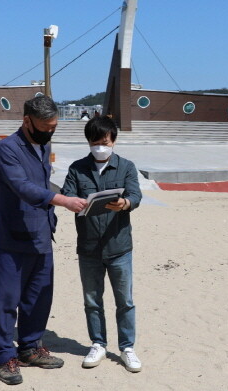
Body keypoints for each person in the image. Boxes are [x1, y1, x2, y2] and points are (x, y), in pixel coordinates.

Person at [0, 95, 87, 385]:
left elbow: (41, 183)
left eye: (54, 126)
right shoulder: (7, 149)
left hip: (42, 234)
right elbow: (22, 187)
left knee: (39, 298)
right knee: (7, 300)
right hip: (13, 237)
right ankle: (3, 355)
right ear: (27, 120)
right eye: (45, 126)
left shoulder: (43, 145)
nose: (50, 131)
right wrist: (62, 200)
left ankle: (30, 348)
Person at [61, 115, 143, 373]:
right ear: (88, 142)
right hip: (88, 248)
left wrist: (125, 204)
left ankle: (127, 347)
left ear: (114, 141)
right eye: (95, 142)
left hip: (119, 246)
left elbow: (135, 195)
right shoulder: (77, 168)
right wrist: (73, 202)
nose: (100, 147)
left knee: (125, 301)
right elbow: (68, 194)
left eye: (104, 142)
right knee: (92, 301)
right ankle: (98, 343)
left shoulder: (126, 166)